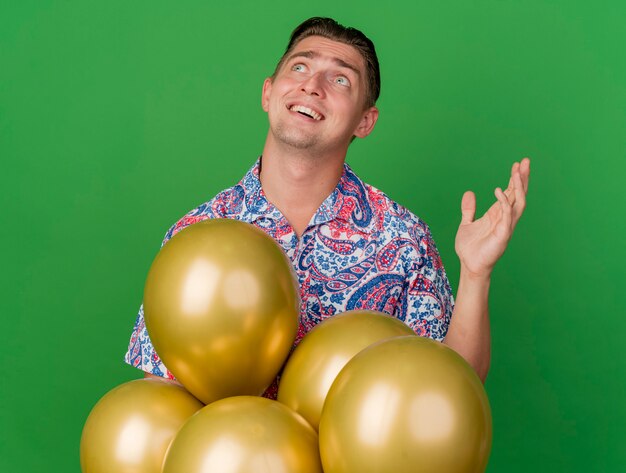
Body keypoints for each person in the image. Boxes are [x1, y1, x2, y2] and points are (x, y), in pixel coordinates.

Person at [125, 17, 530, 388]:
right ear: (268, 92)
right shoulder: (194, 237)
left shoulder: (405, 239)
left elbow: (453, 386)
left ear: (364, 122)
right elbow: (163, 399)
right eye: (300, 67)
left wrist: (477, 274)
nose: (312, 86)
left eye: (340, 80)